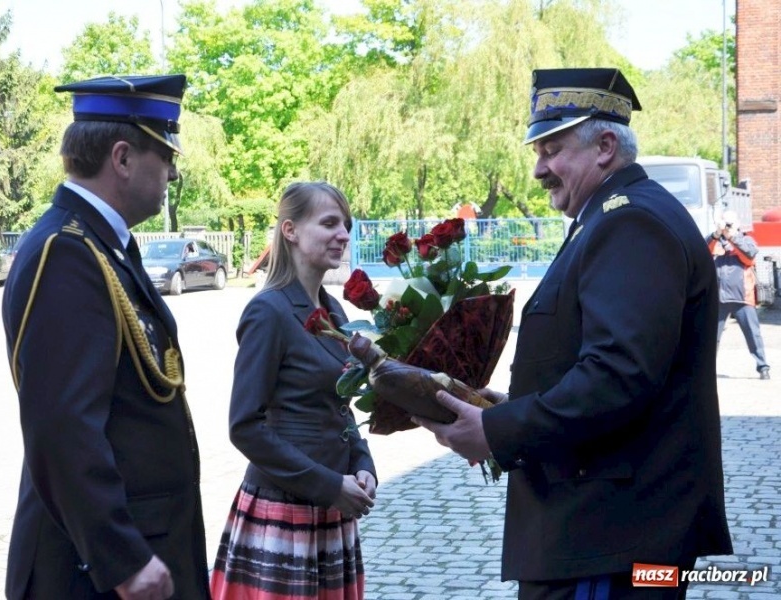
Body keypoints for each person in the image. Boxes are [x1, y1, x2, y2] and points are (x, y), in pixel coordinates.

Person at [414, 68, 733, 599]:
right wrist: (507, 406)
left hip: (610, 537)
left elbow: (617, 375)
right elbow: (596, 362)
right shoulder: (609, 217)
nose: (539, 170)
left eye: (552, 150)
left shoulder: (630, 222)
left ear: (605, 145)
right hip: (605, 532)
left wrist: (499, 431)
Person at [1, 74, 210, 599]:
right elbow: (60, 426)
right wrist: (123, 559)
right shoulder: (67, 252)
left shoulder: (104, 244)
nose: (171, 174)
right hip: (94, 570)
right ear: (122, 158)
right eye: (166, 159)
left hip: (130, 551)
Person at [210, 182, 378, 600]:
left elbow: (340, 406)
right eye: (329, 223)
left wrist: (363, 464)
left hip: (332, 512)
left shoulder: (333, 310)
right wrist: (327, 485)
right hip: (284, 515)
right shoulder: (268, 311)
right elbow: (245, 426)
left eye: (347, 225)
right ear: (290, 231)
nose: (343, 234)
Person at [708, 209, 771, 379]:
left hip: (743, 297)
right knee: (711, 337)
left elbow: (750, 254)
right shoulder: (716, 241)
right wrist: (716, 234)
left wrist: (732, 237)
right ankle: (706, 370)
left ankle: (763, 367)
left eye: (730, 223)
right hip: (719, 298)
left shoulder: (746, 240)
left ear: (737, 225)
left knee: (753, 334)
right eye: (724, 223)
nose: (727, 227)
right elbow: (703, 250)